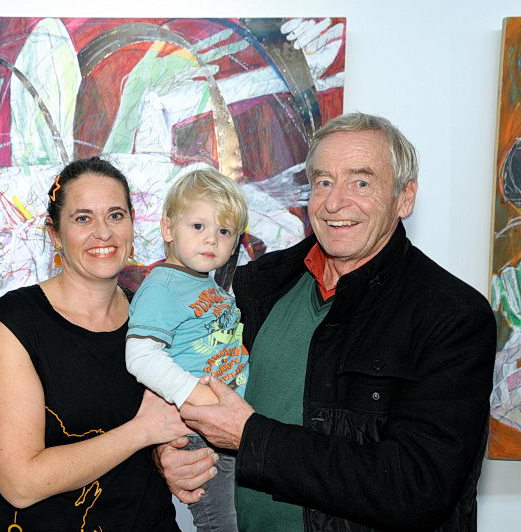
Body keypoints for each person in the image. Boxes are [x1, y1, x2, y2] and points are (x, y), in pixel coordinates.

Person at [157, 112, 496, 531]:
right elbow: (189, 381)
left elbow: (417, 486)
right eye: (323, 182)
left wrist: (251, 436)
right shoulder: (258, 284)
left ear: (404, 198)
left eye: (361, 183)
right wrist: (170, 454)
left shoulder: (452, 316)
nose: (335, 203)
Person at [0, 157, 187, 531]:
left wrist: (177, 460)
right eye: (83, 218)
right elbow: (20, 484)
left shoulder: (157, 319)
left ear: (132, 224)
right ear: (55, 234)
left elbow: (170, 434)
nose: (103, 232)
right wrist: (143, 431)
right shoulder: (13, 324)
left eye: (115, 215)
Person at [125, 169, 249, 531]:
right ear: (168, 229)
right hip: (199, 433)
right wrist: (196, 396)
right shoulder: (162, 286)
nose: (211, 238)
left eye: (224, 231)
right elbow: (140, 356)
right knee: (223, 526)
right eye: (198, 226)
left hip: (229, 424)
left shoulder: (211, 287)